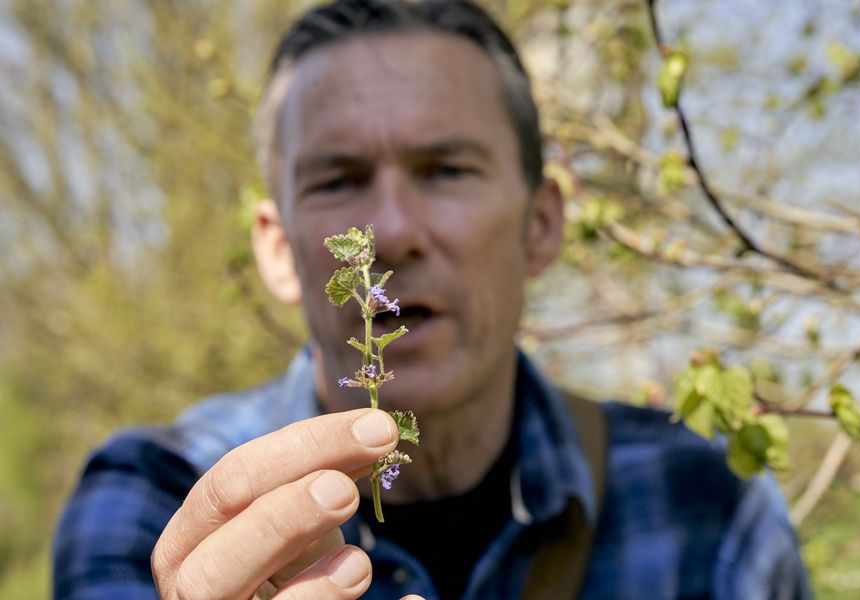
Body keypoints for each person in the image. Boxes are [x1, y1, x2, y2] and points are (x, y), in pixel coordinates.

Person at [53, 0, 811, 598]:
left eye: (446, 169)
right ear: (277, 248)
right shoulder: (157, 498)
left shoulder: (704, 497)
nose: (390, 231)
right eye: (339, 179)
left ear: (541, 224)